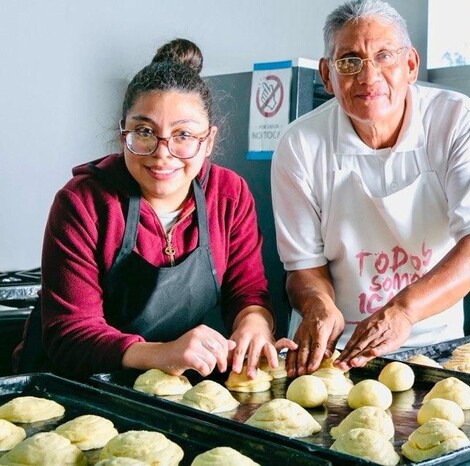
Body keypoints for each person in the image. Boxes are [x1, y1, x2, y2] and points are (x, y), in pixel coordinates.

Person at [13, 39, 293, 378]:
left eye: (183, 135)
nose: (163, 153)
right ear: (123, 136)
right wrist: (162, 353)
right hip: (70, 385)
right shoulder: (83, 202)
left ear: (209, 141)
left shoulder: (228, 195)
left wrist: (254, 324)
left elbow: (247, 291)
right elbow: (71, 333)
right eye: (145, 132)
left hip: (163, 383)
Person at [271, 0, 470, 377]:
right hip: (338, 352)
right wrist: (316, 304)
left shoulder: (453, 119)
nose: (368, 76)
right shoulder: (300, 144)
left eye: (383, 56)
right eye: (349, 60)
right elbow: (303, 267)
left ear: (410, 65)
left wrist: (404, 310)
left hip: (434, 343)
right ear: (327, 76)